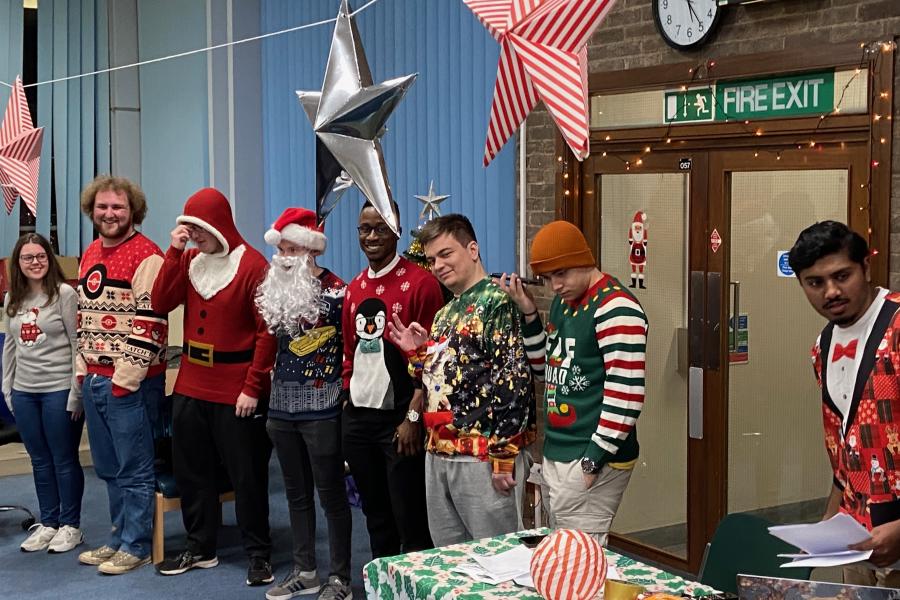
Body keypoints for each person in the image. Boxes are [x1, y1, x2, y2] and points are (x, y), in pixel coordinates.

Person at [152, 187, 276, 587]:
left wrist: (253, 387)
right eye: (189, 228)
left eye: (200, 228)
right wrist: (173, 251)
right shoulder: (189, 260)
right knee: (192, 472)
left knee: (247, 475)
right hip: (191, 382)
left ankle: (258, 552)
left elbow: (266, 333)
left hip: (236, 386)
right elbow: (159, 302)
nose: (195, 235)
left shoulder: (253, 265)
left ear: (220, 224)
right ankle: (200, 545)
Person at [496, 220, 648, 546]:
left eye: (561, 274)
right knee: (564, 549)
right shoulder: (566, 304)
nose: (555, 286)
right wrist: (528, 314)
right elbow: (544, 370)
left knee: (580, 554)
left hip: (591, 452)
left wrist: (593, 460)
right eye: (548, 278)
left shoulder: (616, 307)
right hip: (560, 449)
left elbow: (626, 394)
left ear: (584, 259)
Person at [387, 214, 533, 546]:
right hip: (438, 454)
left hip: (481, 458)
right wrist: (417, 355)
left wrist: (505, 454)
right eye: (431, 259)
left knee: (496, 558)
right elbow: (442, 382)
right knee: (452, 561)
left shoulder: (497, 303)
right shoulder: (444, 313)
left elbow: (512, 381)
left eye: (446, 254)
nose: (437, 265)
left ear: (472, 249)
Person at [788, 220, 900, 587]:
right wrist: (827, 524)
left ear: (866, 268)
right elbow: (844, 448)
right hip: (857, 538)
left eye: (842, 275)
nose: (831, 291)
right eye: (815, 282)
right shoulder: (822, 346)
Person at [256, 207, 352, 600]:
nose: (285, 256)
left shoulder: (337, 291)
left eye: (294, 249)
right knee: (296, 494)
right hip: (281, 409)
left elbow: (351, 346)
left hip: (323, 406)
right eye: (282, 248)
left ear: (312, 251)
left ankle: (340, 578)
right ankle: (305, 569)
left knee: (330, 494)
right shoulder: (274, 292)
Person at [75, 176, 168, 574]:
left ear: (133, 211)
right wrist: (82, 370)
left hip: (130, 383)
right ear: (91, 211)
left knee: (135, 466)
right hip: (94, 378)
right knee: (108, 467)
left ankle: (137, 544)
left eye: (117, 207)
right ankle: (117, 537)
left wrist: (124, 378)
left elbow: (150, 321)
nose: (109, 214)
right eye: (102, 207)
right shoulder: (90, 251)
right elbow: (83, 317)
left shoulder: (148, 255)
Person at [342, 200, 443, 558]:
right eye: (364, 229)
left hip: (402, 419)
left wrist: (413, 418)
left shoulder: (422, 285)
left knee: (410, 517)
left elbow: (433, 362)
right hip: (359, 420)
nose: (371, 236)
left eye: (380, 228)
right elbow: (349, 354)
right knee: (375, 516)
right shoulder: (353, 289)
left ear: (396, 231)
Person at [2, 233, 84, 554]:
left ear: (48, 260)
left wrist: (76, 393)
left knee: (63, 460)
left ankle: (70, 525)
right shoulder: (13, 298)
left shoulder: (64, 294)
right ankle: (49, 523)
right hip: (25, 393)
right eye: (27, 258)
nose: (35, 262)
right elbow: (10, 347)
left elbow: (79, 344)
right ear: (18, 263)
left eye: (40, 256)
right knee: (39, 461)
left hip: (58, 391)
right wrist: (8, 390)